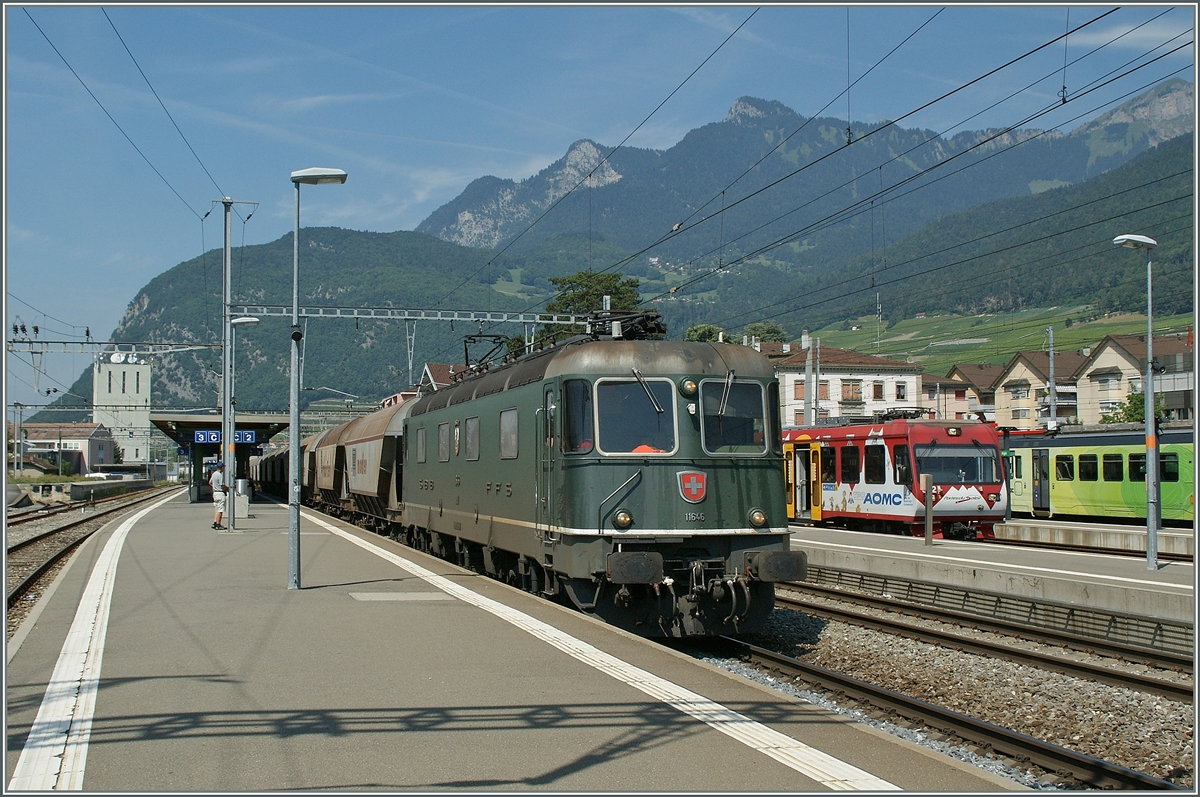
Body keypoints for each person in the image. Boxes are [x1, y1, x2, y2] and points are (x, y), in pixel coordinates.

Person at [209, 462, 229, 529]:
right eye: (223, 467)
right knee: (220, 509)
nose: (224, 468)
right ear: (222, 467)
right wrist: (227, 489)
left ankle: (215, 522)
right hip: (220, 493)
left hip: (215, 493)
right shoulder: (219, 475)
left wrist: (214, 487)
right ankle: (218, 524)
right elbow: (222, 485)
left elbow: (210, 482)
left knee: (217, 508)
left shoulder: (214, 474)